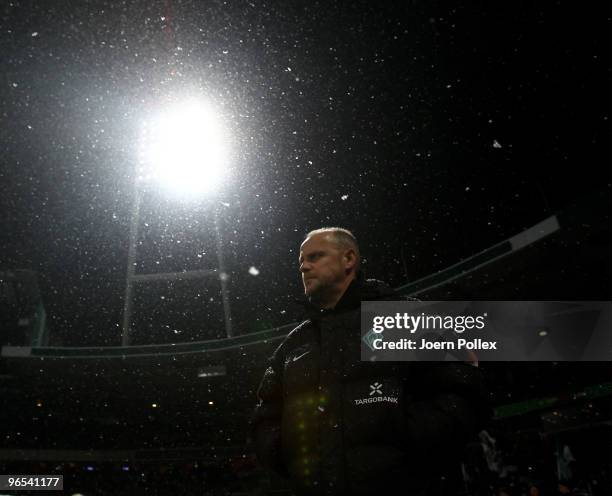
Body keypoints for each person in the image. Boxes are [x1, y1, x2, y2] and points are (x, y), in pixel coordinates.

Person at [251, 227, 490, 495]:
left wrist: (407, 444)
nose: (304, 267)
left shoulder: (403, 318)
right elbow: (266, 415)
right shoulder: (293, 344)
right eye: (301, 262)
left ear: (349, 259)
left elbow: (462, 389)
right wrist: (286, 455)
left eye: (315, 256)